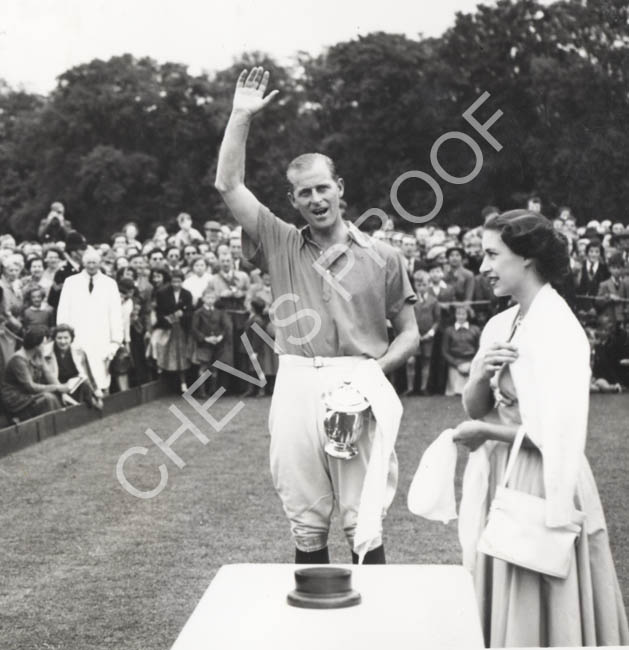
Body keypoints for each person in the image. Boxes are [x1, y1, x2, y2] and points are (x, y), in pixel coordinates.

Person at [214, 67, 418, 564]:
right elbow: (228, 183)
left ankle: (375, 633)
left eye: (322, 188)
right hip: (297, 380)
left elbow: (410, 333)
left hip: (359, 378)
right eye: (304, 193)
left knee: (362, 517)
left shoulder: (384, 255)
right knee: (305, 517)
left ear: (339, 188)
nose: (315, 199)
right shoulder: (280, 240)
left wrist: (373, 373)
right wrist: (241, 115)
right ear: (292, 200)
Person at [452, 210, 628, 647]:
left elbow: (556, 435)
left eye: (493, 255)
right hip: (503, 474)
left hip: (544, 476)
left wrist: (486, 434)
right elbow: (477, 405)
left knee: (536, 590)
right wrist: (479, 376)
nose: (483, 267)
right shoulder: (500, 323)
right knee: (500, 585)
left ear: (527, 258)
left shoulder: (560, 328)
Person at [57, 248, 124, 393]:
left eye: (94, 262)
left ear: (100, 263)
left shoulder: (110, 283)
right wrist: (63, 336)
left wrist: (115, 341)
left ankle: (103, 405)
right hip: (77, 337)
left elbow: (116, 314)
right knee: (80, 375)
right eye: (88, 263)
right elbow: (63, 311)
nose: (91, 266)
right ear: (83, 263)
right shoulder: (70, 282)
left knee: (102, 376)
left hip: (102, 337)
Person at [0, 326, 69, 419]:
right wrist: (56, 388)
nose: (46, 346)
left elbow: (48, 374)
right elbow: (30, 387)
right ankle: (59, 422)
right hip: (16, 398)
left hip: (28, 394)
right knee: (48, 398)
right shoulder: (18, 360)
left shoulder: (38, 353)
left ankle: (62, 420)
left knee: (54, 394)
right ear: (35, 344)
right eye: (44, 343)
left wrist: (61, 389)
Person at [45, 324, 103, 410]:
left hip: (74, 385)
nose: (63, 341)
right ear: (54, 339)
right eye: (59, 338)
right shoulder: (47, 353)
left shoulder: (79, 351)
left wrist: (95, 389)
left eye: (66, 338)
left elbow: (87, 372)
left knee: (87, 389)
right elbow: (48, 378)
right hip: (56, 386)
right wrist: (62, 393)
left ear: (71, 338)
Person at [154, 268, 193, 392]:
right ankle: (163, 383)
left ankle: (183, 383)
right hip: (166, 328)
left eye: (179, 282)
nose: (176, 284)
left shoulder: (187, 294)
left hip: (181, 328)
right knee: (163, 352)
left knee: (181, 355)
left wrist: (183, 314)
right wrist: (167, 320)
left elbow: (190, 312)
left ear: (182, 281)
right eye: (174, 282)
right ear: (170, 281)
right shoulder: (162, 293)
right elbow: (159, 312)